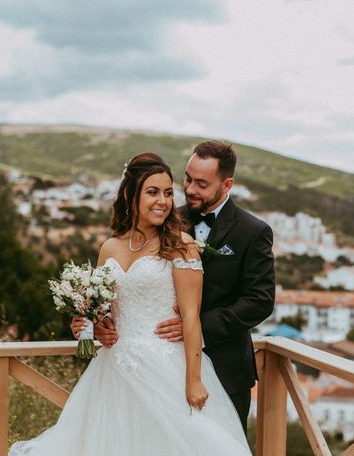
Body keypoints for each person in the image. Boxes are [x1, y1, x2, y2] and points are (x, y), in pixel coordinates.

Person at [10, 153, 251, 455]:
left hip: (166, 371)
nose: (162, 201)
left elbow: (191, 317)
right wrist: (94, 326)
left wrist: (193, 380)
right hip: (113, 372)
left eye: (167, 193)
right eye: (152, 192)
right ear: (130, 194)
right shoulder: (109, 247)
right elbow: (105, 311)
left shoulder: (181, 244)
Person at [88, 141, 276, 433]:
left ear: (227, 184)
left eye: (201, 183)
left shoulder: (253, 232)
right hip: (148, 367)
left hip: (225, 366)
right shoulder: (166, 219)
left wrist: (199, 326)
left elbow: (260, 301)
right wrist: (103, 322)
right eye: (187, 178)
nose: (189, 190)